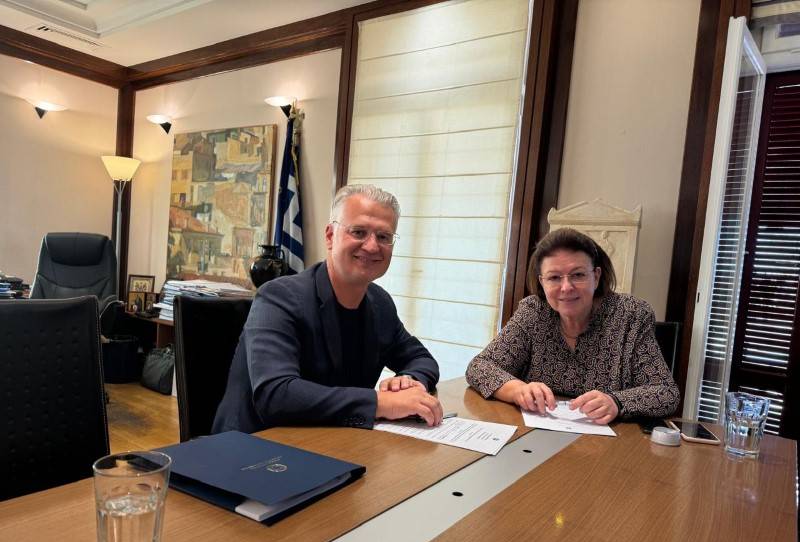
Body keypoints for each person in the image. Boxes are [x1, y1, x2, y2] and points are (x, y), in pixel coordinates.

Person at [212, 184, 442, 433]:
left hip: (335, 440)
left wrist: (408, 383)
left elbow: (422, 359)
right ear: (330, 236)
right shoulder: (279, 297)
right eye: (359, 232)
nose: (372, 246)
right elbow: (276, 394)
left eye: (384, 237)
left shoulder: (380, 303)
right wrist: (380, 403)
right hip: (255, 444)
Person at [466, 228, 679, 424]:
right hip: (539, 433)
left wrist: (616, 402)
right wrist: (518, 390)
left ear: (596, 276)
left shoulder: (631, 315)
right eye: (554, 278)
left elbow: (666, 393)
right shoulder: (533, 311)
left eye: (578, 275)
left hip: (610, 441)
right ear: (542, 282)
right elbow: (479, 367)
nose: (566, 287)